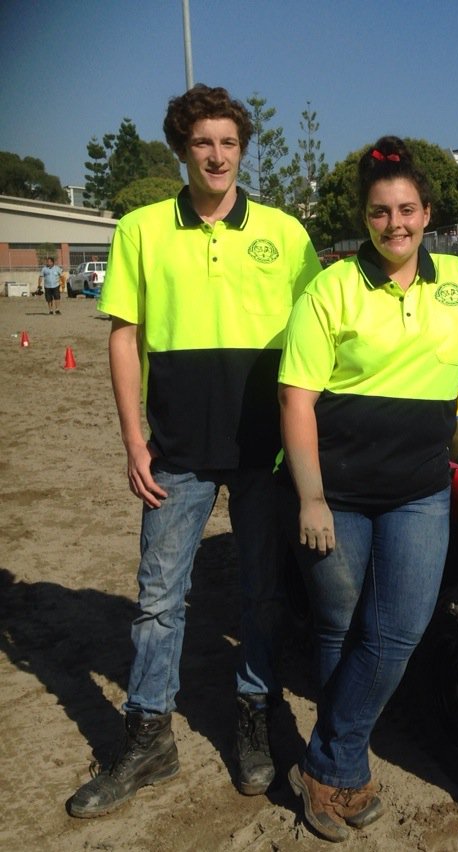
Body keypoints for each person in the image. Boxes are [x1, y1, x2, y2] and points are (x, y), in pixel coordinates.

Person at [66, 84, 322, 819]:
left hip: (266, 451)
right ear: (182, 148)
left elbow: (318, 331)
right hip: (176, 451)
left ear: (243, 150)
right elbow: (124, 336)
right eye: (203, 142)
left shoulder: (285, 232)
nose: (217, 155)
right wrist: (132, 440)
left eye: (229, 143)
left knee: (263, 594)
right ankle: (149, 737)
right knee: (157, 601)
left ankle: (254, 715)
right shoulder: (141, 229)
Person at [278, 136, 458, 843]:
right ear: (365, 217)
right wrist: (310, 496)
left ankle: (323, 760)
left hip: (421, 493)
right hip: (337, 495)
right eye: (379, 212)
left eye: (406, 210)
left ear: (427, 213)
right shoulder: (331, 287)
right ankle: (348, 774)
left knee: (396, 631)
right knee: (340, 629)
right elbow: (296, 398)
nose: (394, 224)